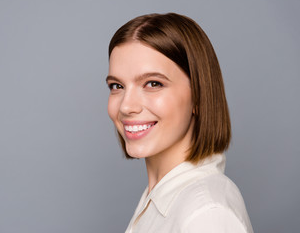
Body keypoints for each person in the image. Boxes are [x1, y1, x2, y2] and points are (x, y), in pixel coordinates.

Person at [106, 13, 254, 233]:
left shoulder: (207, 214)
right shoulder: (162, 198)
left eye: (153, 83)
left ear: (198, 95)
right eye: (117, 86)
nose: (126, 106)